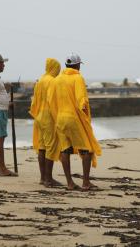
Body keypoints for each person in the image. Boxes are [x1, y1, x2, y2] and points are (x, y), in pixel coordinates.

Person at [48, 53, 102, 190]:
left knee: (65, 150)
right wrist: (85, 120)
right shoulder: (78, 78)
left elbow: (50, 100)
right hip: (74, 118)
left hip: (60, 118)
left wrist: (56, 116)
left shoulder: (57, 79)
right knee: (87, 150)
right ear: (77, 65)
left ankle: (70, 183)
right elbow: (82, 101)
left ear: (66, 65)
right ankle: (85, 182)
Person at [29, 58, 62, 187]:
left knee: (41, 147)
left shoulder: (41, 80)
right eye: (58, 69)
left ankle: (43, 178)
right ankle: (49, 179)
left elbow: (34, 101)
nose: (58, 71)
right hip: (49, 117)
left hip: (39, 116)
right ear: (54, 68)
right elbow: (53, 100)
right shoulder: (52, 81)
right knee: (51, 147)